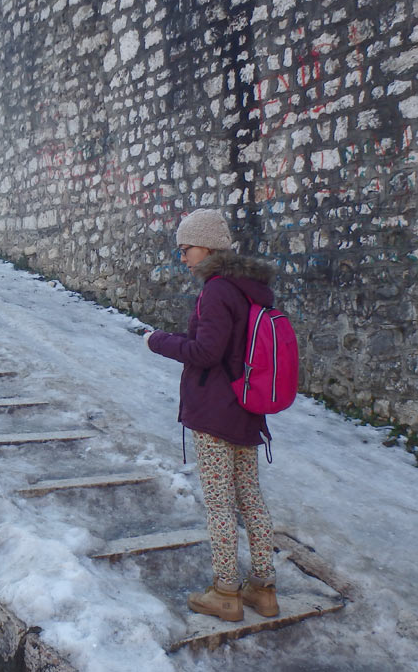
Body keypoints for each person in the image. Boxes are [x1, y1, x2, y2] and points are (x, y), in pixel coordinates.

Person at [144, 208, 279, 623]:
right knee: (250, 498)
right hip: (245, 409)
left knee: (220, 503)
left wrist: (158, 341)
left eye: (186, 248)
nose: (182, 257)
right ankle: (264, 588)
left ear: (207, 246)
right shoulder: (249, 288)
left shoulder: (217, 290)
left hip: (216, 412)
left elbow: (206, 352)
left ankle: (226, 591)